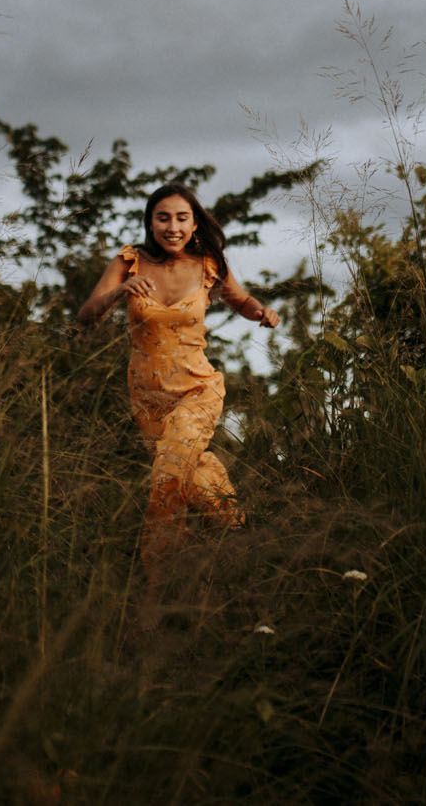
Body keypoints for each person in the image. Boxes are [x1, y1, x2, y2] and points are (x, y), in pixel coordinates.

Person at [76, 183, 279, 578]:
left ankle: (159, 581)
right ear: (151, 223)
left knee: (167, 477)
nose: (173, 227)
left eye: (182, 218)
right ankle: (240, 544)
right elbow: (86, 315)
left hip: (197, 389)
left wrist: (262, 312)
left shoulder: (208, 264)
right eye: (163, 218)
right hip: (148, 398)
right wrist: (121, 291)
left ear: (194, 223)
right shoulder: (129, 261)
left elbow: (240, 299)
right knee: (193, 476)